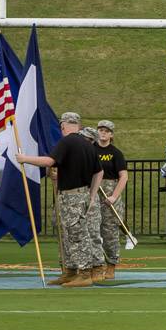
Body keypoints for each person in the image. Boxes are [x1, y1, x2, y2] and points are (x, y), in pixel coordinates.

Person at [17, 112, 103, 287]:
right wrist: (92, 194)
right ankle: (70, 271)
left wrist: (25, 159)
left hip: (72, 195)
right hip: (81, 193)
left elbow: (50, 162)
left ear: (63, 125)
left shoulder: (67, 141)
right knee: (69, 234)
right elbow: (99, 171)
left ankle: (84, 273)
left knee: (76, 234)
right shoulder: (88, 145)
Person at [93, 119, 128, 281]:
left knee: (109, 232)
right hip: (93, 194)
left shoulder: (116, 153)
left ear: (111, 134)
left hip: (110, 196)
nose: (103, 133)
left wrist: (114, 196)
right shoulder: (90, 150)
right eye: (101, 130)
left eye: (106, 131)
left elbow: (123, 177)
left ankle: (111, 265)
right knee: (92, 231)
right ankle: (95, 266)